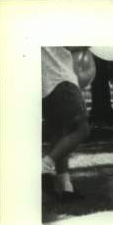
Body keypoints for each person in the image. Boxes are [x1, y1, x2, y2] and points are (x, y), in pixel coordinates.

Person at [42, 46, 92, 201]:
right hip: (62, 80)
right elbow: (70, 43)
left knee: (60, 135)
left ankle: (66, 189)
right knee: (82, 129)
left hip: (46, 87)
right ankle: (43, 168)